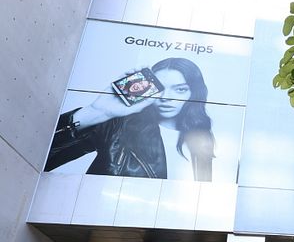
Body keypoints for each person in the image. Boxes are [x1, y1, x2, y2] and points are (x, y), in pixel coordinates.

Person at [46, 58, 215, 181]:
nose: (166, 98)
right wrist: (95, 112)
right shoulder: (119, 125)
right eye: (160, 89)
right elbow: (41, 160)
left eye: (180, 90)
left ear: (194, 93)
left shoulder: (202, 137)